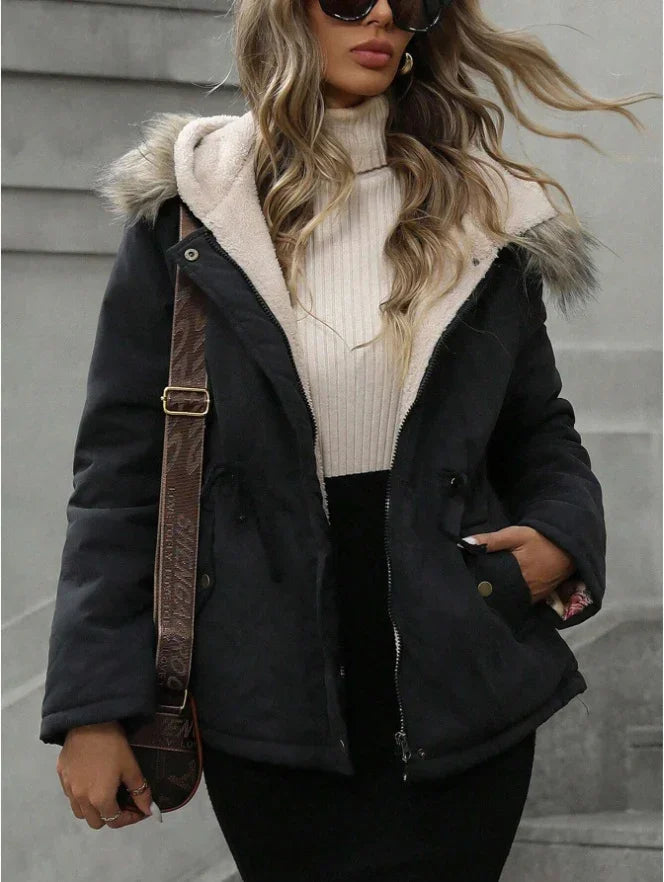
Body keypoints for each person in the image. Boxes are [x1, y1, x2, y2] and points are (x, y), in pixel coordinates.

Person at [40, 0, 657, 878]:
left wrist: (561, 542)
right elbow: (119, 478)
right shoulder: (194, 211)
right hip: (269, 696)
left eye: (405, 3)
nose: (378, 16)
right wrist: (91, 710)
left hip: (463, 678)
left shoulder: (482, 213)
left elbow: (540, 432)